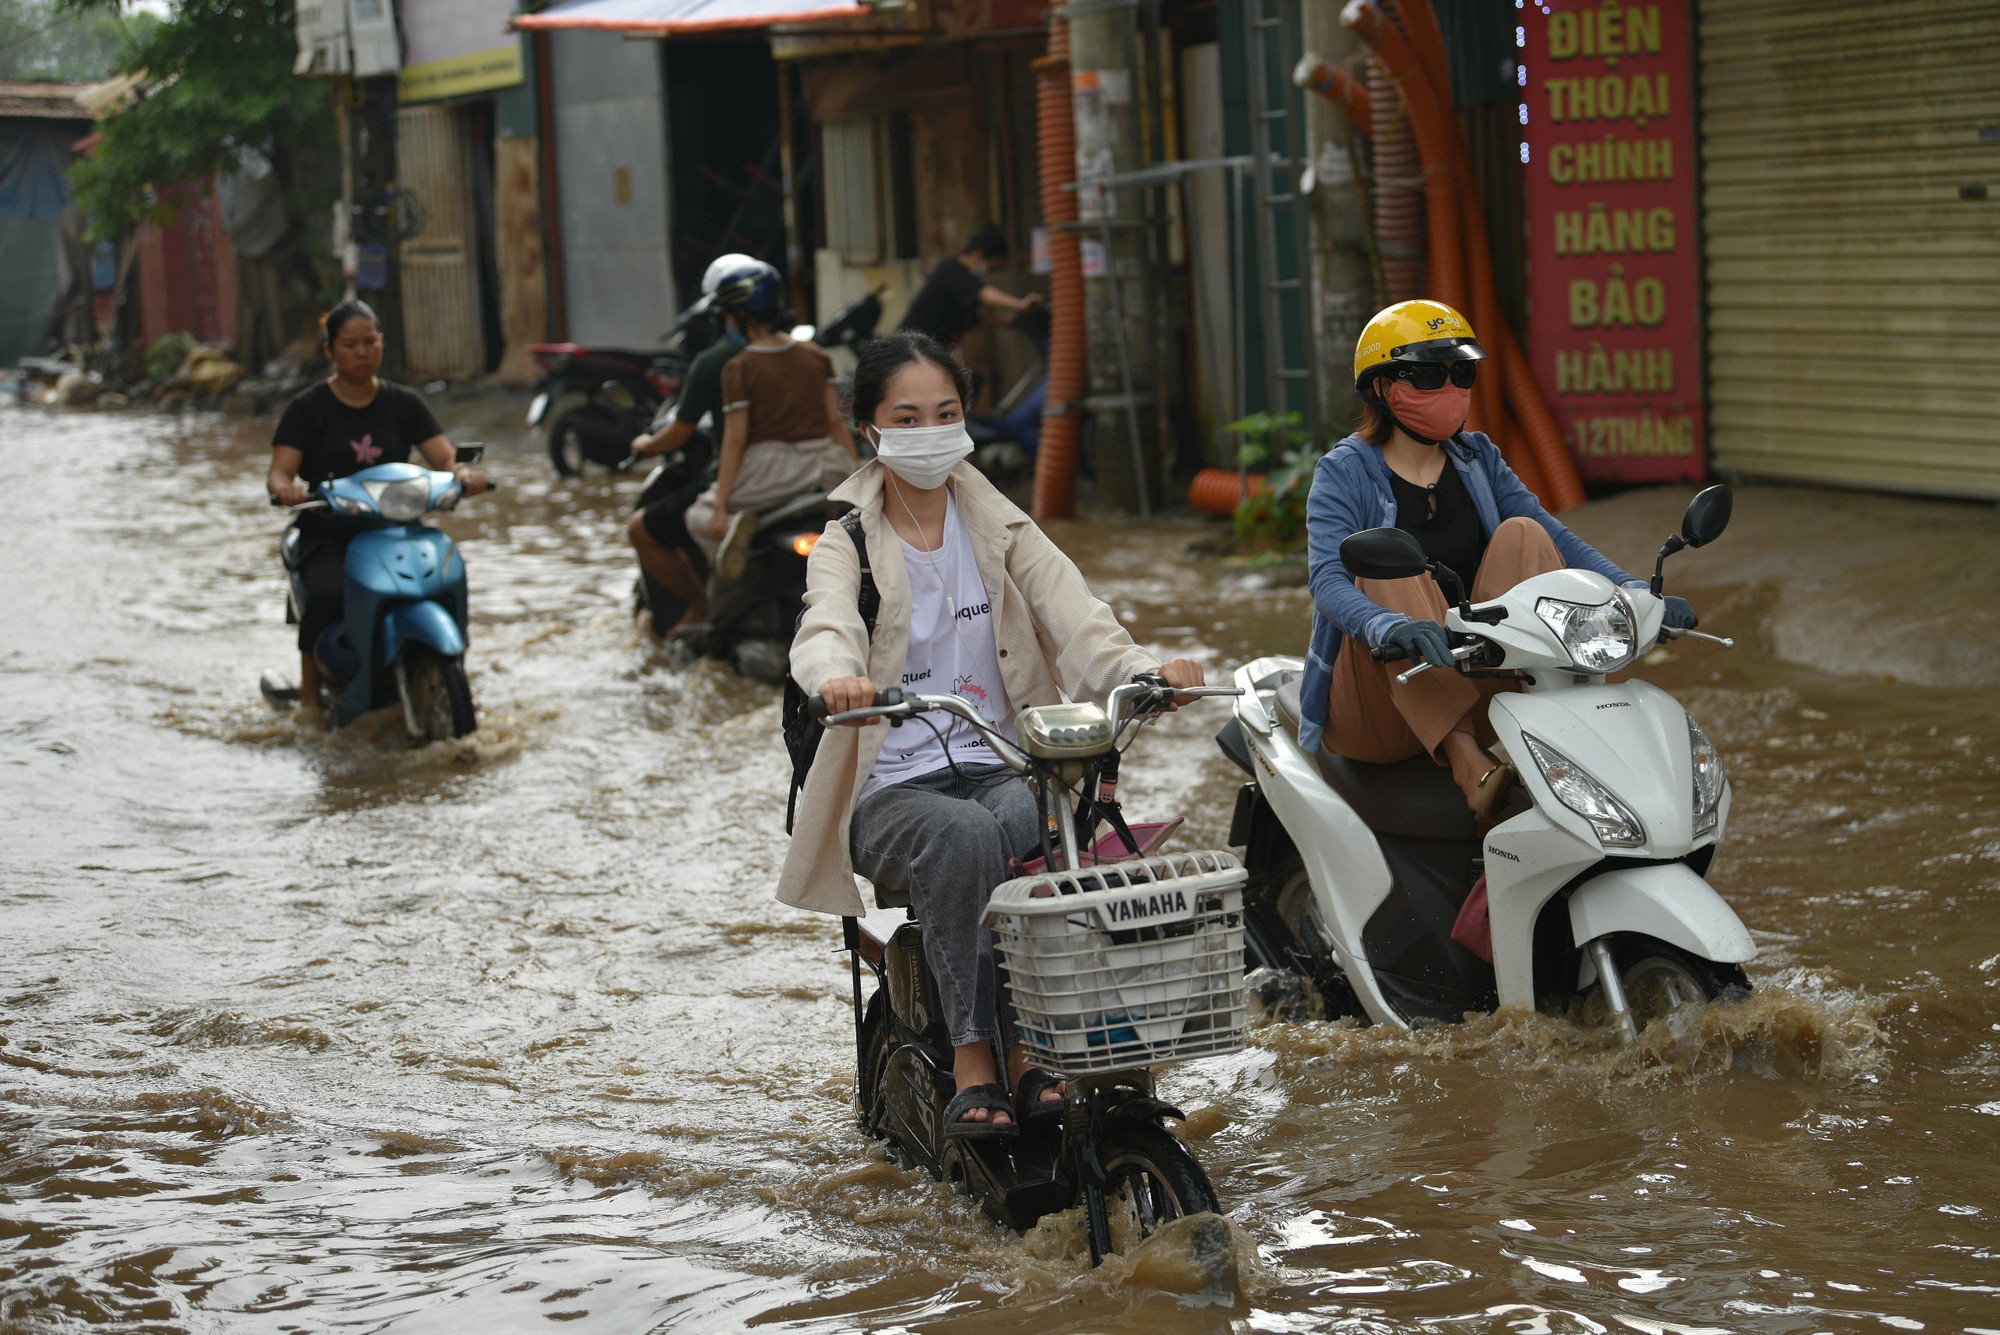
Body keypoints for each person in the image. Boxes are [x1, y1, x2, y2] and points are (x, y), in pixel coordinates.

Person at [777, 330, 1205, 1135]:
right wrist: (837, 676)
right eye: (908, 417)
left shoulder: (1001, 525)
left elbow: (1078, 615)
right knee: (966, 835)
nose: (930, 430)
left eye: (946, 412)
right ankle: (978, 1053)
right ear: (870, 429)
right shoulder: (847, 540)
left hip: (1001, 762)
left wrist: (1145, 672)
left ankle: (1042, 1043)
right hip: (890, 788)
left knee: (1045, 822)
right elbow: (825, 621)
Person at [1299, 299, 1696, 819]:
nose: (1450, 388)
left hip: (1474, 676)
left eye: (1460, 373)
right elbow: (1328, 581)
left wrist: (1637, 595)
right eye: (1429, 375)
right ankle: (1466, 760)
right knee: (1385, 563)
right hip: (1382, 703)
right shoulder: (1343, 471)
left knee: (1524, 533)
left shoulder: (1477, 457)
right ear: (1381, 387)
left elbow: (1558, 540)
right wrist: (1389, 627)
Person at [267, 300, 488, 714]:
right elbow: (279, 473)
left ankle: (454, 670)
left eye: (370, 342)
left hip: (398, 527)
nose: (362, 352)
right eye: (350, 344)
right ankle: (311, 698)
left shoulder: (404, 402)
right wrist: (287, 489)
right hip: (330, 530)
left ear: (382, 342)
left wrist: (463, 474)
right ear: (330, 350)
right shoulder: (307, 408)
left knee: (446, 578)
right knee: (327, 595)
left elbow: (445, 459)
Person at [678, 259, 858, 628]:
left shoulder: (739, 366)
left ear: (736, 316)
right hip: (827, 465)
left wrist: (720, 507)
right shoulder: (816, 355)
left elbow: (735, 441)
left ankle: (737, 549)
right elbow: (836, 423)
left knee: (696, 516)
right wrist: (857, 473)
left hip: (770, 473)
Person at [625, 253, 754, 612]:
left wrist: (647, 445)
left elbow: (731, 441)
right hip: (809, 473)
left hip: (747, 477)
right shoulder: (802, 355)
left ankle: (702, 608)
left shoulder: (722, 361)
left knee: (643, 528)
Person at [897, 224, 1043, 349]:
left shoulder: (963, 285)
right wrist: (1021, 304)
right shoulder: (951, 272)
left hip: (929, 351)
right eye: (992, 268)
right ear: (978, 255)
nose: (992, 274)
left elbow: (974, 321)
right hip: (909, 349)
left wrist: (1007, 321)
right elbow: (983, 293)